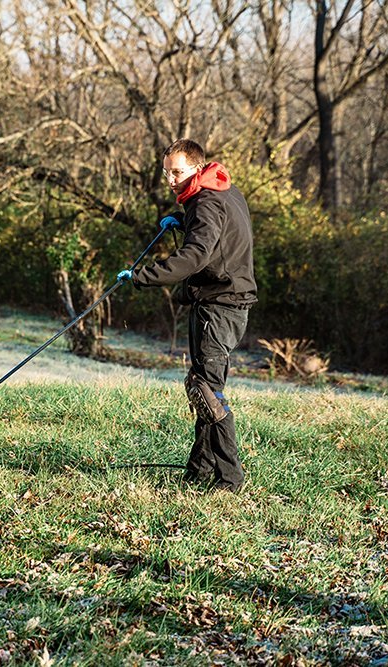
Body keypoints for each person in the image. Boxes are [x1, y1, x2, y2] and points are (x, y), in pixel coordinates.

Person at [118, 139, 257, 492]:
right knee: (203, 385)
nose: (170, 179)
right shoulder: (221, 189)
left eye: (177, 172)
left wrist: (141, 276)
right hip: (226, 298)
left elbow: (196, 256)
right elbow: (217, 233)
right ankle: (200, 470)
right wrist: (182, 220)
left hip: (220, 303)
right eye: (166, 172)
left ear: (196, 168)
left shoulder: (206, 201)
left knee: (208, 391)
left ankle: (230, 479)